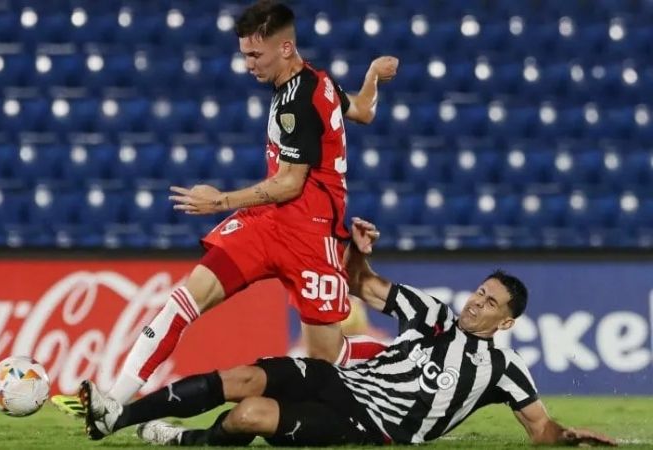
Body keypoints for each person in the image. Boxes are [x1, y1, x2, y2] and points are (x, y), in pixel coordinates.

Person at [52, 0, 399, 417]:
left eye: (255, 55)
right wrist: (373, 76)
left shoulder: (298, 101)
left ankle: (408, 362)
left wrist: (219, 201)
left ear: (285, 48)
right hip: (268, 223)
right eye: (244, 55)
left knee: (325, 361)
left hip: (310, 234)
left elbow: (289, 183)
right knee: (185, 299)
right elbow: (364, 109)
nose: (248, 64)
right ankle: (112, 400)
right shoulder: (317, 82)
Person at [78, 218, 616, 447]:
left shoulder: (504, 369)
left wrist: (564, 436)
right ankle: (118, 415)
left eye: (490, 302)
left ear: (508, 321)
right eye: (480, 292)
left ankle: (183, 438)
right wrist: (357, 245)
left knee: (249, 417)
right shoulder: (431, 313)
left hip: (370, 425)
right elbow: (363, 284)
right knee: (241, 377)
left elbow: (538, 428)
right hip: (341, 379)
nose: (477, 302)